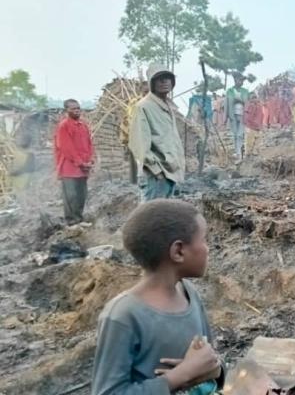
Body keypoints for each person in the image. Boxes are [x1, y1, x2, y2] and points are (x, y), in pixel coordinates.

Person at [91, 200, 224, 395]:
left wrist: (217, 370)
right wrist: (178, 377)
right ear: (178, 251)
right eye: (204, 239)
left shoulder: (189, 293)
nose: (208, 248)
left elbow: (209, 360)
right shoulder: (123, 316)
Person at [129, 64, 185, 201]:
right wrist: (157, 171)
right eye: (159, 79)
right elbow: (140, 144)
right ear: (152, 83)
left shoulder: (168, 106)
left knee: (162, 217)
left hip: (170, 171)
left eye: (167, 78)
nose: (164, 82)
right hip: (156, 175)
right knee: (149, 218)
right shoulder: (143, 107)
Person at [54, 99, 94, 226]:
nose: (77, 111)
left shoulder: (83, 125)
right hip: (69, 168)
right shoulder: (64, 126)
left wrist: (90, 160)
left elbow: (89, 144)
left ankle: (79, 219)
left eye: (78, 108)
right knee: (70, 196)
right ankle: (72, 222)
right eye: (73, 109)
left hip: (83, 168)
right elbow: (66, 148)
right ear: (67, 110)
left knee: (81, 195)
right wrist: (80, 162)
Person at [226, 73, 250, 159]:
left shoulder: (245, 91)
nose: (241, 82)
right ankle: (237, 152)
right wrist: (226, 117)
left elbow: (247, 102)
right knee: (234, 134)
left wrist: (240, 100)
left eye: (242, 81)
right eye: (240, 80)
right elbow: (227, 104)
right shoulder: (229, 91)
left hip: (242, 114)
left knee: (240, 134)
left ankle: (239, 152)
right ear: (235, 80)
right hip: (233, 114)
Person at [8, 132, 35, 197]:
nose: (20, 141)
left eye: (22, 140)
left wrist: (15, 172)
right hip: (17, 183)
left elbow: (29, 168)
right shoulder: (17, 152)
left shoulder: (29, 154)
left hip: (24, 183)